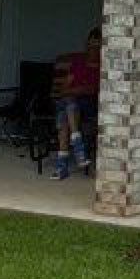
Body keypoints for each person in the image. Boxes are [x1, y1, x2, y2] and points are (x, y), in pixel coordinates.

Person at [48, 26, 99, 178]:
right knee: (69, 106)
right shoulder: (78, 63)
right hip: (73, 103)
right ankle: (78, 147)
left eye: (97, 46)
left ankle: (62, 166)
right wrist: (79, 90)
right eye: (90, 45)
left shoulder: (104, 66)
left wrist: (78, 90)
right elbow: (63, 89)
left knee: (66, 110)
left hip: (91, 105)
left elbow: (93, 91)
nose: (93, 50)